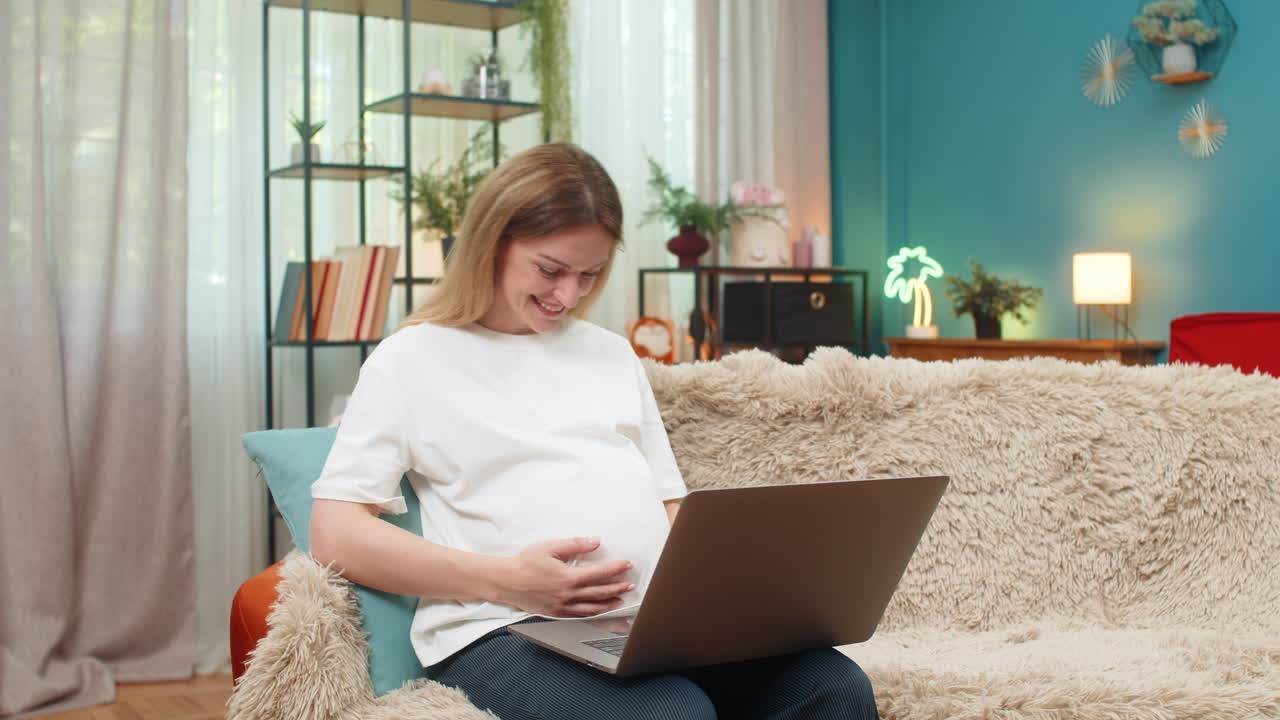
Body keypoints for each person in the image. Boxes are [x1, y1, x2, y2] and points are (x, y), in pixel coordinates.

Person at [309, 143, 878, 720]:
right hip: (505, 629)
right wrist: (508, 582)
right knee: (670, 714)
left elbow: (670, 503)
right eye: (551, 270)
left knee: (832, 684)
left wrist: (716, 604)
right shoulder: (412, 358)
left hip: (648, 627)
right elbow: (336, 533)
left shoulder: (610, 354)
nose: (569, 296)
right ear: (492, 242)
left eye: (590, 274)